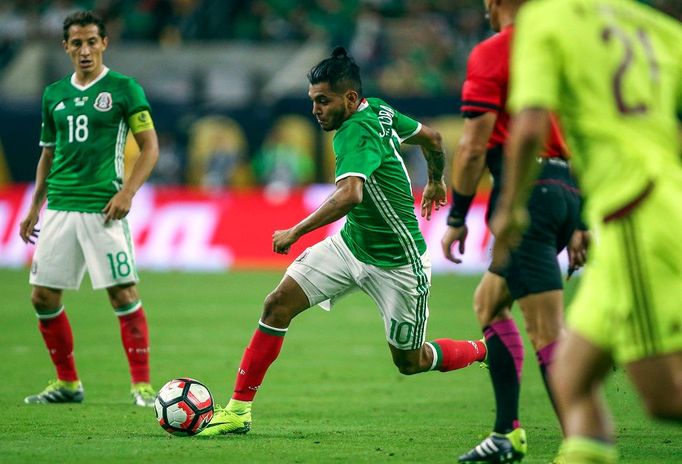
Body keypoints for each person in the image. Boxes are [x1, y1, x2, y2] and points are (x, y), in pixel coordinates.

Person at [199, 46, 487, 437]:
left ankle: (486, 350)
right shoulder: (379, 109)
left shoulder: (353, 131)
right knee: (276, 305)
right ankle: (237, 411)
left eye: (323, 101)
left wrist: (295, 232)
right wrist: (436, 179)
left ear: (350, 99)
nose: (316, 109)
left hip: (399, 265)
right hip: (351, 246)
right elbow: (433, 139)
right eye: (312, 101)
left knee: (411, 361)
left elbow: (351, 194)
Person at [492, 0, 682, 462]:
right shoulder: (658, 27)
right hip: (636, 211)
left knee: (665, 398)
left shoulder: (546, 21)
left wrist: (510, 210)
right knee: (572, 379)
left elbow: (530, 126)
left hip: (634, 211)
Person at [440, 0, 587, 461]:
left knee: (547, 330)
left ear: (494, 4)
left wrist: (458, 215)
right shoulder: (560, 50)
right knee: (489, 301)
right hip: (564, 190)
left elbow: (472, 146)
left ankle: (583, 445)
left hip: (526, 197)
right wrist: (579, 217)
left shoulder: (493, 51)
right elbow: (581, 134)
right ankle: (507, 434)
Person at [19, 11, 159, 407]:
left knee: (122, 292)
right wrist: (34, 207)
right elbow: (48, 154)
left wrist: (129, 192)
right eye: (76, 43)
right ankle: (67, 383)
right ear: (65, 47)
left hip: (103, 207)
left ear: (104, 43)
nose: (85, 50)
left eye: (91, 42)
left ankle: (142, 387)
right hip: (60, 207)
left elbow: (150, 146)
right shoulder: (53, 95)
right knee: (42, 297)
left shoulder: (123, 88)